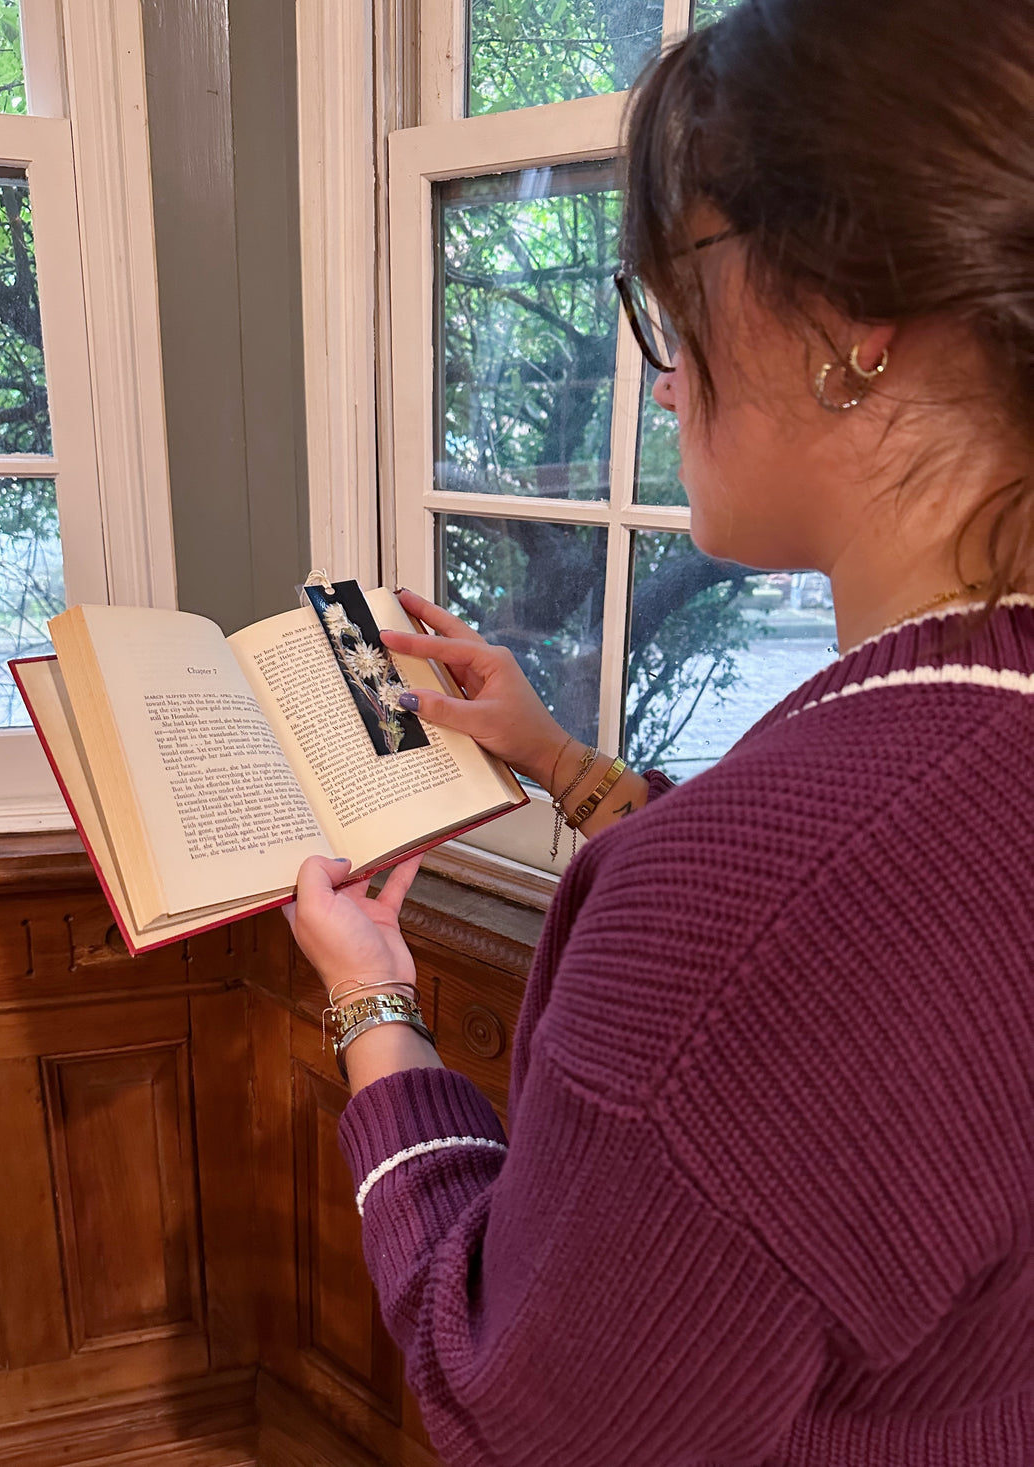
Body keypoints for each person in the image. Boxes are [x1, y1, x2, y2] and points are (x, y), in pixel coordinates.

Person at [284, 0, 1034, 1461]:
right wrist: (562, 761)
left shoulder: (749, 916)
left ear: (844, 321)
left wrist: (374, 1006)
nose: (668, 374)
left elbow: (518, 1409)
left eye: (670, 297)